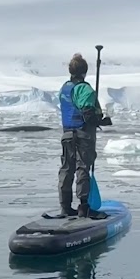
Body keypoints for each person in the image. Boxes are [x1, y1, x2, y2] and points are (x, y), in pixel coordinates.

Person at [58, 53, 111, 218]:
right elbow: (87, 113)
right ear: (84, 71)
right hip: (83, 135)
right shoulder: (85, 89)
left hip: (67, 134)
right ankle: (84, 207)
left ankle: (65, 207)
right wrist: (100, 122)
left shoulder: (65, 89)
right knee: (82, 168)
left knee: (67, 169)